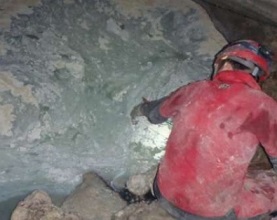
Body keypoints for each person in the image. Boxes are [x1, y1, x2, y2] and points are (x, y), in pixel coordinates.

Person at [131, 40, 277, 220]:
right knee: (269, 185)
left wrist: (138, 110)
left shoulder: (194, 89)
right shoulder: (263, 105)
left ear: (226, 64)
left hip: (163, 194)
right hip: (210, 215)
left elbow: (153, 115)